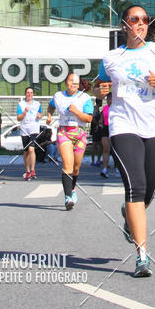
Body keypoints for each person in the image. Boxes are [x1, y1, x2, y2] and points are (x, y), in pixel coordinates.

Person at [96, 5, 155, 278]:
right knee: (135, 188)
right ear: (124, 25)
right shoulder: (111, 58)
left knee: (147, 193)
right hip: (123, 126)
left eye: (144, 20)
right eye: (134, 19)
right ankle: (142, 257)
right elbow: (99, 86)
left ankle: (129, 214)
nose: (140, 23)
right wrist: (100, 91)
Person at [46, 72, 93, 210]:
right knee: (67, 165)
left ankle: (72, 188)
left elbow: (88, 119)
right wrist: (49, 116)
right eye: (71, 80)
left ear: (79, 85)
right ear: (66, 82)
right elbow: (51, 105)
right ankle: (68, 198)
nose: (73, 83)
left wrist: (76, 111)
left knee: (76, 168)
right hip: (64, 132)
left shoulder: (84, 98)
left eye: (76, 81)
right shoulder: (58, 96)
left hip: (79, 133)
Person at [17, 85, 43, 180]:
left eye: (31, 93)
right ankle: (27, 171)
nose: (30, 94)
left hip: (34, 129)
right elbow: (18, 118)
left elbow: (41, 113)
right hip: (24, 129)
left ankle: (33, 170)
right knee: (26, 151)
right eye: (28, 92)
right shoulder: (21, 104)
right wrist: (24, 112)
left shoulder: (37, 104)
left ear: (33, 94)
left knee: (31, 149)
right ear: (25, 94)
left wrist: (40, 115)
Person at [100, 93, 112, 178]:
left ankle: (118, 168)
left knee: (115, 150)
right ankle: (104, 169)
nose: (109, 101)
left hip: (114, 128)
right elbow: (102, 119)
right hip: (105, 128)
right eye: (108, 99)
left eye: (110, 99)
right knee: (106, 149)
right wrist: (100, 122)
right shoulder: (105, 108)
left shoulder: (117, 108)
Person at [90, 99, 104, 166]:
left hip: (95, 129)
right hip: (96, 129)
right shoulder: (95, 109)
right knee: (98, 145)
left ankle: (95, 160)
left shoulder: (96, 109)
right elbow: (92, 118)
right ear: (100, 102)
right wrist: (97, 124)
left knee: (97, 145)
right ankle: (96, 161)